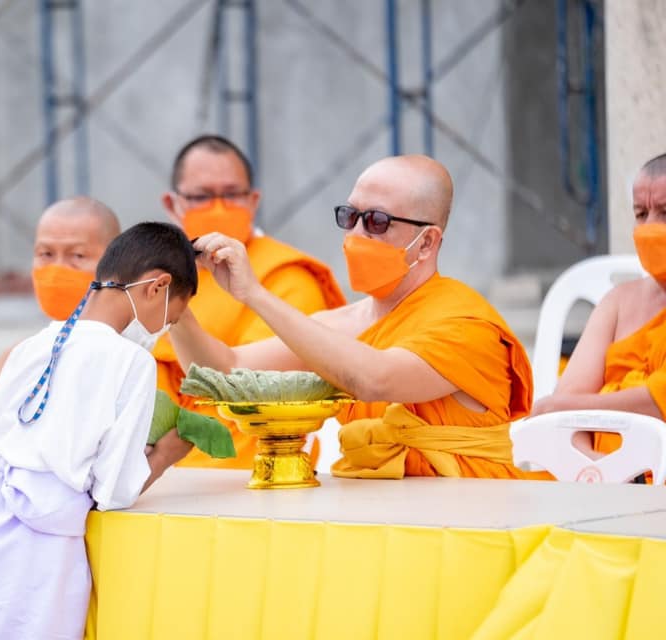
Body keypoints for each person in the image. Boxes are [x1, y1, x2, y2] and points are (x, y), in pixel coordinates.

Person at [171, 155, 536, 479]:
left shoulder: (465, 324)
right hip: (368, 509)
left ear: (425, 242)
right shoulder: (343, 323)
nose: (356, 235)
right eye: (350, 217)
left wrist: (254, 294)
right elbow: (224, 371)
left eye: (377, 222)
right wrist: (175, 306)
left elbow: (375, 379)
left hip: (469, 510)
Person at [0, 222, 197, 639]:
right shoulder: (131, 361)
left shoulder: (30, 345)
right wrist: (167, 453)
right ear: (157, 286)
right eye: (172, 317)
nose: (161, 330)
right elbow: (113, 490)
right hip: (39, 545)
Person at [158, 134, 346, 468]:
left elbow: (253, 387)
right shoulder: (157, 274)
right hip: (152, 469)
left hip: (247, 469)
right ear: (173, 205)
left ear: (253, 201)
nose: (218, 208)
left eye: (231, 195)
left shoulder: (285, 277)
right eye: (202, 196)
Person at [0, 196, 120, 456]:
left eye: (77, 255)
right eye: (45, 254)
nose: (57, 270)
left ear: (116, 262)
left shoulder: (136, 354)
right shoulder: (18, 356)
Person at [531, 153, 666, 459]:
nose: (649, 227)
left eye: (665, 212)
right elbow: (565, 405)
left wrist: (564, 407)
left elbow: (657, 401)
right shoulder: (618, 302)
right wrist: (590, 466)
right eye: (641, 213)